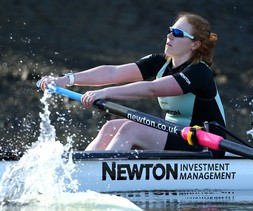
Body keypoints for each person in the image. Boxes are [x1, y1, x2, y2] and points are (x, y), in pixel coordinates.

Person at [39, 12, 226, 158]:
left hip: (207, 144)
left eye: (177, 33)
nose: (169, 35)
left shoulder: (200, 72)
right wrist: (65, 80)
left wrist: (104, 93)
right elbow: (113, 72)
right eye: (170, 30)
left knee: (131, 129)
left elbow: (151, 89)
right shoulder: (159, 62)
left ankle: (102, 174)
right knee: (111, 127)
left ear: (195, 45)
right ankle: (84, 170)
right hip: (175, 134)